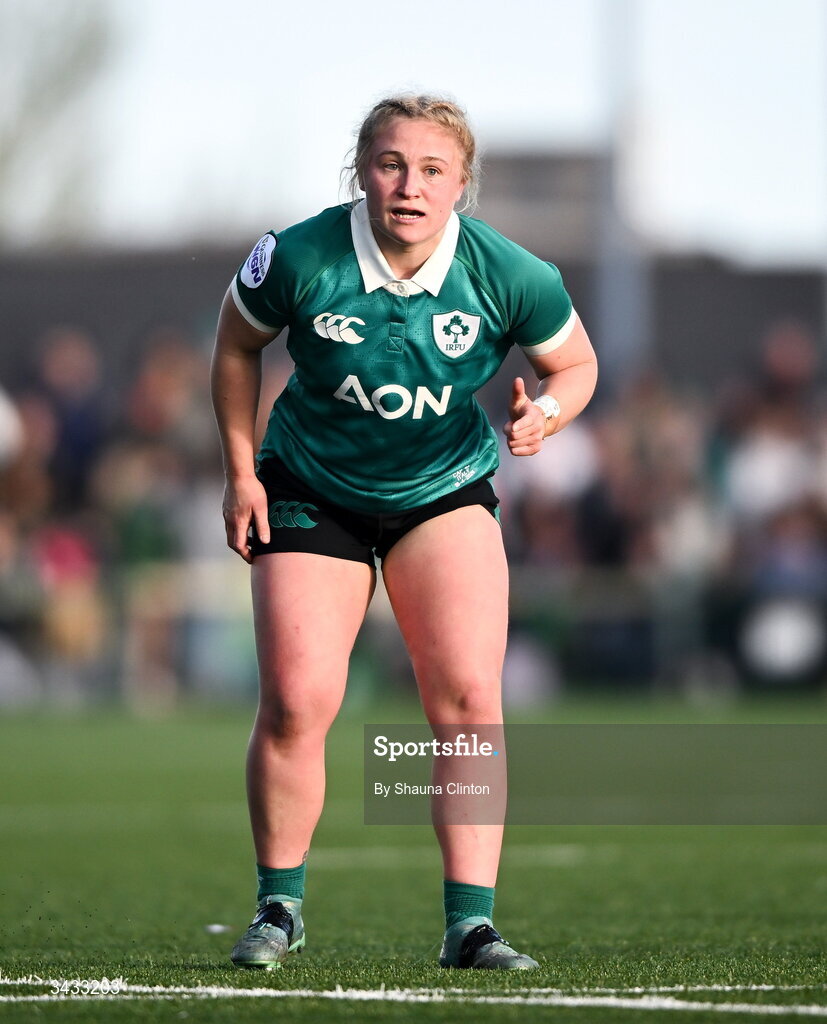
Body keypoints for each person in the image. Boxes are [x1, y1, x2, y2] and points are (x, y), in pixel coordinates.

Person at [211, 94, 598, 971]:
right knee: (298, 701)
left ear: (462, 184)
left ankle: (471, 925)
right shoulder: (298, 254)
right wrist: (240, 472)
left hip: (443, 491)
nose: (409, 185)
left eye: (431, 169)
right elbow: (236, 348)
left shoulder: (512, 272)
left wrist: (547, 412)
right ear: (362, 172)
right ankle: (279, 908)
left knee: (466, 703)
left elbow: (574, 364)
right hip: (310, 487)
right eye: (390, 164)